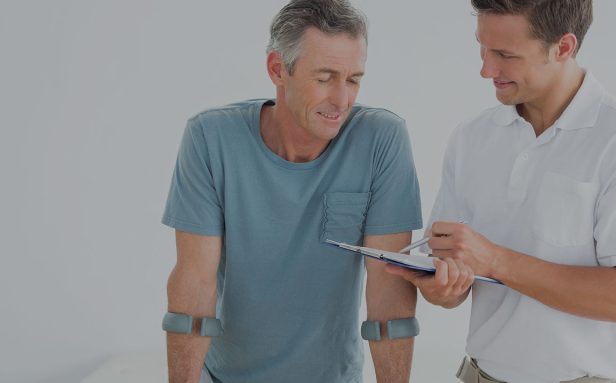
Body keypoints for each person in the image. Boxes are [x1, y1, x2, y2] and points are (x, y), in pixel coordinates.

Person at [386, 1, 616, 382]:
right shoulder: (471, 138)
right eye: (483, 48)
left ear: (563, 47)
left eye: (505, 55)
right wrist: (443, 289)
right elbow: (454, 282)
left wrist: (493, 259)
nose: (486, 69)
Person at [161, 1, 422, 382]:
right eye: (325, 77)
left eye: (353, 79)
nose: (342, 99)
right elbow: (195, 284)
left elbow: (389, 295)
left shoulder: (382, 140)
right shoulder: (210, 138)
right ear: (277, 69)